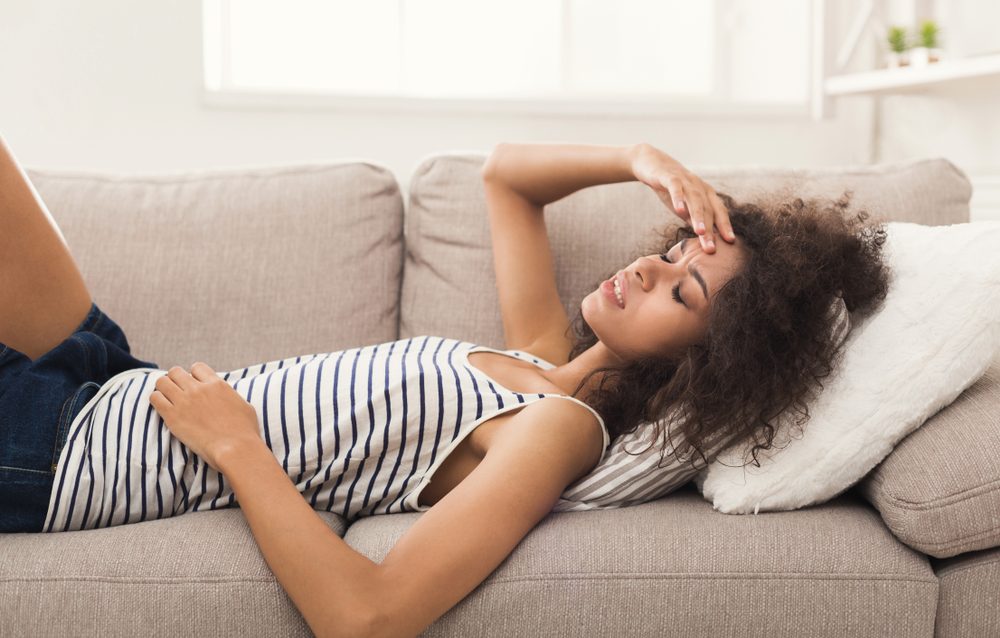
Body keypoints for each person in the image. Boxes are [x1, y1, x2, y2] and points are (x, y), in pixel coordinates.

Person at [0, 138, 889, 636]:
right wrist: (638, 159)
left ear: (714, 362)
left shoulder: (559, 429)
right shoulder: (543, 364)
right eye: (671, 253)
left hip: (66, 453)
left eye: (684, 290)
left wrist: (238, 447)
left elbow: (368, 617)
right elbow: (505, 179)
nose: (646, 270)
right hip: (113, 378)